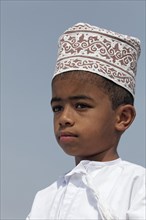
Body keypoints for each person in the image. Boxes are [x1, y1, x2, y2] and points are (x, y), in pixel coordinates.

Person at [26, 23, 145, 219]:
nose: (64, 118)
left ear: (123, 117)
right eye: (57, 108)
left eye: (81, 106)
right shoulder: (44, 199)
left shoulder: (137, 186)